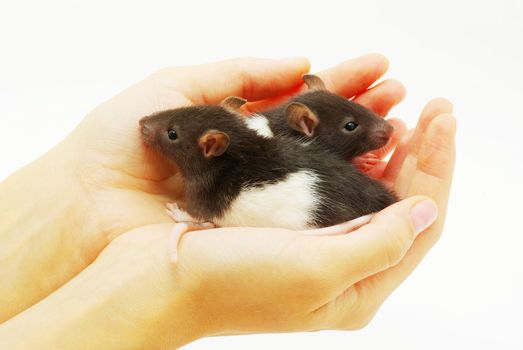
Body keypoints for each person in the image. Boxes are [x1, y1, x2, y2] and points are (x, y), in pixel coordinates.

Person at [0, 54, 456, 349]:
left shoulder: (224, 178)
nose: (152, 131)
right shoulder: (241, 163)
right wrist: (184, 293)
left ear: (212, 145)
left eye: (171, 135)